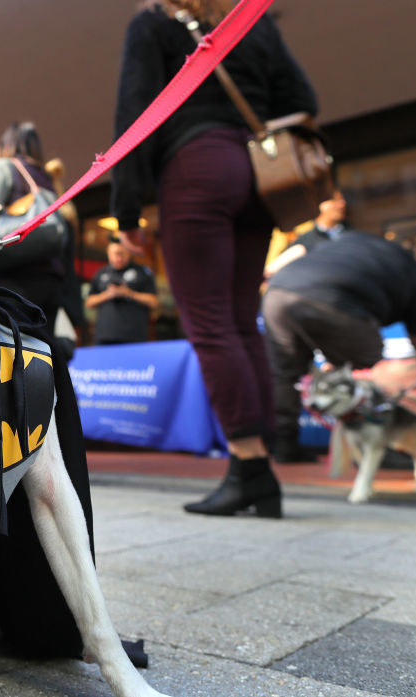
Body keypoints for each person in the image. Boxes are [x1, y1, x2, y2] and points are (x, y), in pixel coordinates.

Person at [111, 0, 318, 517]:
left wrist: (127, 208)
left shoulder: (155, 21)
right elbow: (303, 97)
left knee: (209, 324)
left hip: (197, 167)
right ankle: (260, 468)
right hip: (258, 172)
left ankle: (250, 468)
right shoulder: (253, 18)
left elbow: (137, 109)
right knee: (242, 323)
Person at [264, 231, 416, 462]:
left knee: (286, 375)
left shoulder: (361, 240)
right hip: (332, 299)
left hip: (278, 292)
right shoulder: (415, 272)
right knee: (371, 374)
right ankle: (377, 452)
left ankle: (285, 445)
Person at [0, 122, 66, 340]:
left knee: (12, 354)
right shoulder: (46, 177)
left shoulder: (5, 166)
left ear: (5, 144)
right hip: (50, 280)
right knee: (43, 352)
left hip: (12, 278)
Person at [85, 237, 158, 344]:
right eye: (115, 254)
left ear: (129, 253)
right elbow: (89, 302)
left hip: (134, 337)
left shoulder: (142, 272)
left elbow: (153, 302)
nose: (118, 258)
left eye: (122, 254)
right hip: (104, 337)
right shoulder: (101, 273)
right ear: (108, 253)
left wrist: (129, 293)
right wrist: (108, 294)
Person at [264, 189, 347, 278]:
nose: (342, 204)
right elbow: (271, 267)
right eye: (334, 200)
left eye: (342, 199)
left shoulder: (350, 235)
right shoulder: (303, 236)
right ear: (321, 204)